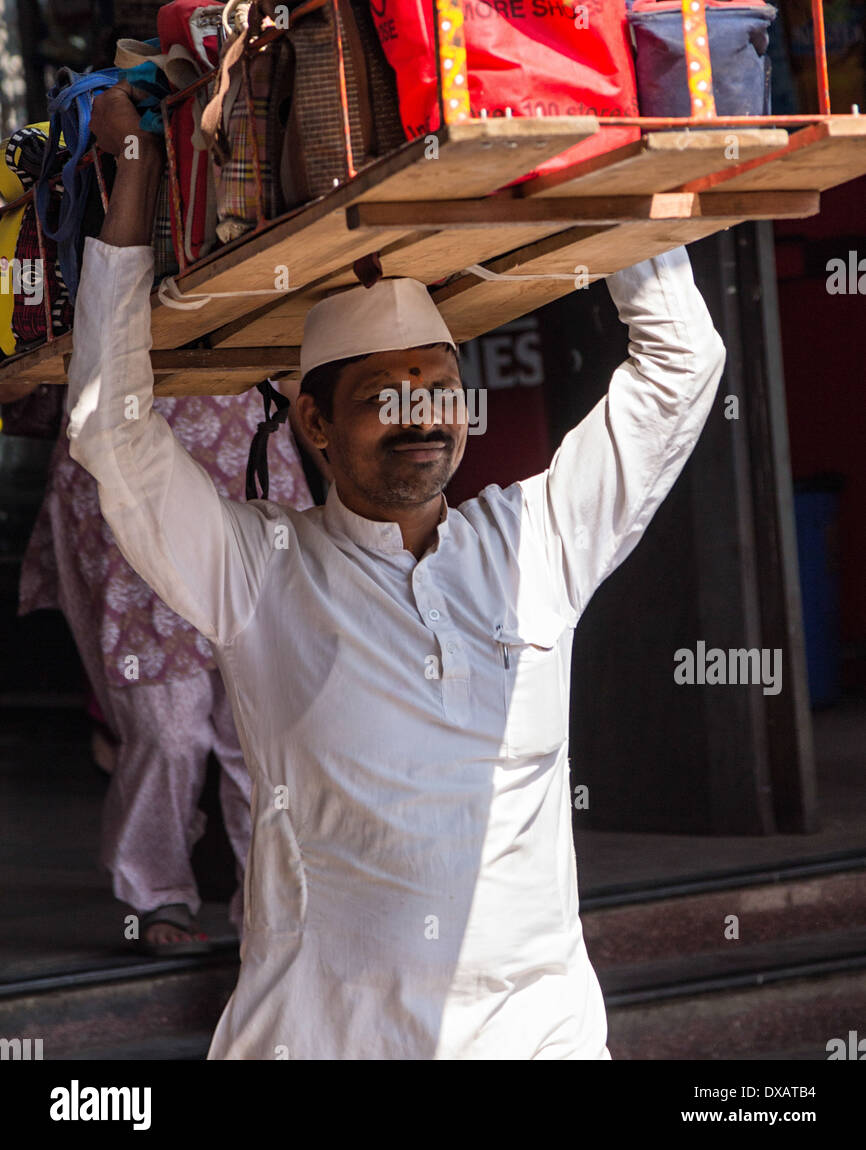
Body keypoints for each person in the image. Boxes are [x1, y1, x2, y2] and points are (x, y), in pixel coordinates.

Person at [65, 82, 726, 1058]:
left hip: (530, 1026)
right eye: (384, 395)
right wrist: (131, 188)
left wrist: (603, 143)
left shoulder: (532, 539)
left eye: (436, 388)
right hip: (328, 1032)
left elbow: (681, 366)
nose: (421, 414)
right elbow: (111, 434)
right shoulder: (260, 572)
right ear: (316, 426)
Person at [19, 382, 315, 953]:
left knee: (261, 732)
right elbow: (27, 391)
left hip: (248, 475)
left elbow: (297, 377)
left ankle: (272, 905)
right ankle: (156, 893)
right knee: (166, 730)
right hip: (126, 494)